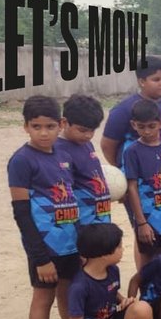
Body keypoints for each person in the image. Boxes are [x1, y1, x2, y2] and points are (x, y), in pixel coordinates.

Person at [10, 96, 80, 319]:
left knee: (68, 295)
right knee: (43, 297)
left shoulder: (63, 154)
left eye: (50, 126)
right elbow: (22, 214)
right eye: (36, 126)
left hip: (70, 243)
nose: (43, 132)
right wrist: (40, 257)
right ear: (25, 126)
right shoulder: (21, 160)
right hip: (46, 247)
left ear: (61, 125)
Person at [122, 100, 161, 274]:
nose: (147, 131)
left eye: (151, 126)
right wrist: (141, 222)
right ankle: (146, 299)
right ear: (134, 125)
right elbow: (131, 187)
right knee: (147, 266)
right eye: (141, 126)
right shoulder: (132, 151)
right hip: (148, 218)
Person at [101, 56, 161, 167]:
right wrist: (121, 168)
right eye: (156, 79)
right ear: (142, 82)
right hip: (138, 176)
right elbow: (107, 144)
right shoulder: (124, 109)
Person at [55, 94, 111, 225]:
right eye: (82, 130)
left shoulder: (86, 144)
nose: (88, 135)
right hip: (81, 224)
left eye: (92, 131)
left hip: (101, 218)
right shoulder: (57, 151)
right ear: (64, 123)